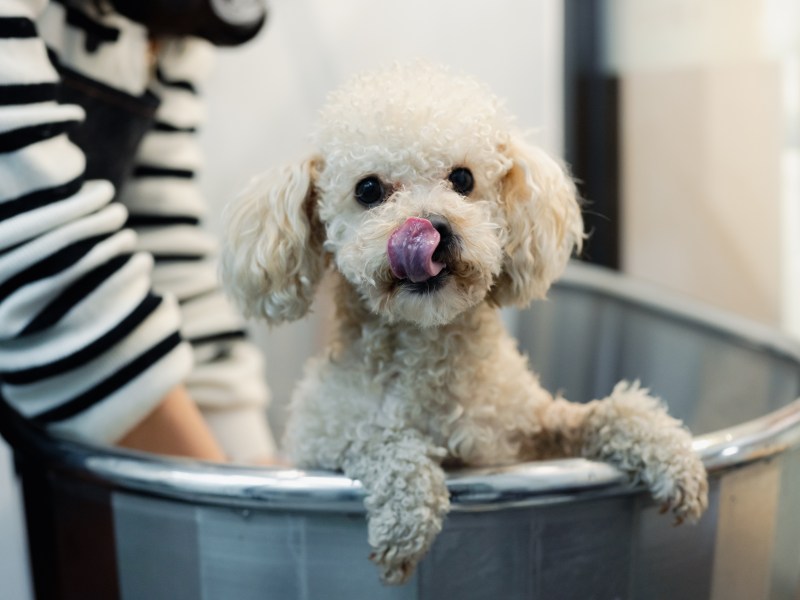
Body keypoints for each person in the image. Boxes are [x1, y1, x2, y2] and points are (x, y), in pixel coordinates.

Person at [0, 0, 276, 463]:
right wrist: (228, 505)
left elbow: (162, 242)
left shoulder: (168, 24)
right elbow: (40, 270)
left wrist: (254, 464)